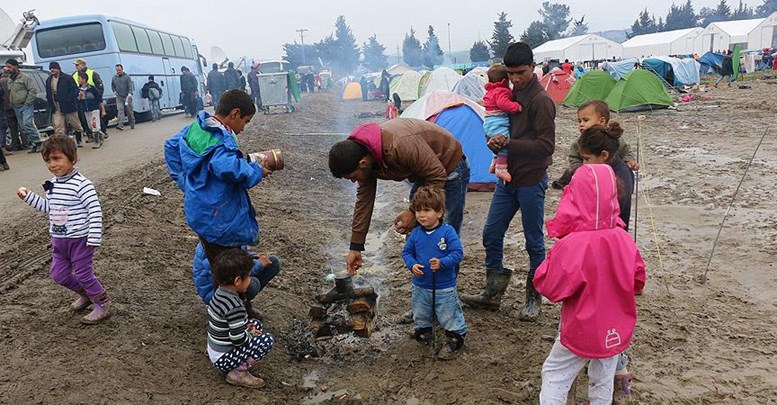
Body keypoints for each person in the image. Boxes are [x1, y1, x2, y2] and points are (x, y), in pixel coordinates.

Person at [534, 164, 645, 405]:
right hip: (616, 327)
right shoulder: (624, 239)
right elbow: (638, 281)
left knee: (555, 373)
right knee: (603, 376)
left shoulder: (572, 245)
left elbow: (550, 288)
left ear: (574, 195)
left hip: (582, 326)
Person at [460, 42, 555, 321]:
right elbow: (500, 126)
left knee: (534, 242)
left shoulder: (542, 102)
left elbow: (546, 147)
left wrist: (509, 144)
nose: (515, 79)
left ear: (533, 66)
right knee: (491, 233)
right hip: (507, 179)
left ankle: (533, 297)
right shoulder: (508, 93)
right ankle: (492, 293)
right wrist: (495, 144)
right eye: (511, 73)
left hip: (531, 179)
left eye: (521, 73)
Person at [328, 118, 469, 276]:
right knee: (418, 235)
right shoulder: (365, 156)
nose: (355, 181)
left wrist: (413, 212)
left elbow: (437, 174)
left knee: (443, 236)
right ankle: (425, 285)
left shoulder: (398, 145)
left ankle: (446, 290)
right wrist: (356, 246)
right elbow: (364, 202)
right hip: (424, 171)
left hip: (447, 166)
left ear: (362, 163)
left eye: (353, 177)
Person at [164, 89, 270, 263]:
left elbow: (170, 146)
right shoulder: (220, 138)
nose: (243, 128)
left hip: (201, 212)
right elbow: (229, 168)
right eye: (245, 121)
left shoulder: (199, 126)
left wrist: (186, 182)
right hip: (218, 218)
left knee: (216, 262)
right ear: (235, 113)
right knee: (227, 271)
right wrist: (257, 170)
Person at [16, 135, 112, 324]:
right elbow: (49, 208)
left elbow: (95, 210)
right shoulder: (53, 184)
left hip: (80, 240)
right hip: (59, 241)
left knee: (84, 274)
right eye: (48, 160)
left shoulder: (82, 185)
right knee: (59, 275)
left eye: (57, 158)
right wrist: (29, 197)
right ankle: (86, 295)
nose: (52, 164)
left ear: (72, 157)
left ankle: (102, 303)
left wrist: (94, 237)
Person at [402, 186, 466, 359]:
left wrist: (443, 263)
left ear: (439, 212)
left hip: (444, 286)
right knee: (420, 311)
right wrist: (412, 265)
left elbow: (458, 253)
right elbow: (407, 253)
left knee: (448, 312)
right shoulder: (415, 233)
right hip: (421, 285)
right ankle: (424, 332)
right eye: (418, 210)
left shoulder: (447, 232)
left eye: (427, 210)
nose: (421, 215)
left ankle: (455, 337)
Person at [206, 248, 274, 388]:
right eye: (249, 276)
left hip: (215, 348)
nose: (250, 280)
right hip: (223, 359)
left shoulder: (219, 292)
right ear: (237, 280)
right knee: (266, 340)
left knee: (255, 323)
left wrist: (247, 328)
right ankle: (238, 372)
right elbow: (238, 340)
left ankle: (233, 362)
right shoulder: (234, 305)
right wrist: (250, 335)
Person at [551, 100, 637, 190]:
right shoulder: (579, 143)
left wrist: (629, 161)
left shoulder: (614, 139)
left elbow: (626, 151)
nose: (581, 124)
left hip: (612, 181)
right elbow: (574, 159)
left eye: (586, 120)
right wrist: (580, 168)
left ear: (602, 121)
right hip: (590, 181)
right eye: (579, 121)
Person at [578, 123, 635, 230]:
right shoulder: (601, 171)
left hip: (610, 237)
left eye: (587, 159)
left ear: (604, 155)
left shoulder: (620, 179)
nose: (584, 164)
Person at [192, 242, 281, 307]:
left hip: (230, 277)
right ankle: (233, 309)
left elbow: (238, 254)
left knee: (274, 262)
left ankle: (242, 303)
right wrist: (259, 265)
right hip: (214, 292)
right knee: (253, 284)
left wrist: (255, 256)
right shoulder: (214, 243)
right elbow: (228, 273)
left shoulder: (229, 234)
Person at [483, 64, 523, 183]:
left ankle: (494, 163)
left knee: (497, 144)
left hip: (489, 123)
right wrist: (516, 107)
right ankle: (501, 168)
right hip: (498, 122)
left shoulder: (490, 91)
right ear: (505, 80)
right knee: (504, 142)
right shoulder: (501, 91)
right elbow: (503, 104)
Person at [5, 58, 42, 153]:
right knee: (23, 127)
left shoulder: (25, 78)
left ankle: (38, 143)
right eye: (6, 67)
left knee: (27, 123)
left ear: (15, 67)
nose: (7, 69)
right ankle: (33, 144)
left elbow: (32, 90)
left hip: (25, 105)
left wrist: (27, 102)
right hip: (16, 107)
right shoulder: (10, 79)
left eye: (9, 67)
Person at [45, 62, 85, 146]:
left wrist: (70, 100)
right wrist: (50, 102)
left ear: (58, 69)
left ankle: (79, 139)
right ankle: (61, 144)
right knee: (58, 126)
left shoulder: (67, 78)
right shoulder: (49, 80)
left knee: (76, 124)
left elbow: (74, 90)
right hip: (56, 106)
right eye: (51, 68)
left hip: (69, 105)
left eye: (54, 68)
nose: (52, 70)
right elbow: (48, 93)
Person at [72, 58, 107, 138]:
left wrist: (97, 99)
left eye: (77, 65)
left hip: (93, 101)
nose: (76, 67)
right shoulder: (74, 75)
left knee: (96, 121)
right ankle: (90, 135)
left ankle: (101, 133)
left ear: (82, 65)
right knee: (86, 121)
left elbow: (100, 86)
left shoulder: (92, 73)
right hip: (82, 103)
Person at [77, 72, 105, 149]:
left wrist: (103, 110)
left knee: (94, 124)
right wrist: (79, 97)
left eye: (79, 78)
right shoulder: (78, 89)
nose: (78, 80)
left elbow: (99, 99)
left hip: (94, 109)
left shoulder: (92, 88)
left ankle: (96, 142)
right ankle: (100, 134)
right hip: (86, 110)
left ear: (84, 79)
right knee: (90, 126)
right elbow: (77, 100)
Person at [1, 71, 26, 152]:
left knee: (12, 127)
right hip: (16, 105)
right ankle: (26, 143)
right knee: (22, 124)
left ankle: (16, 145)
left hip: (5, 107)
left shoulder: (1, 82)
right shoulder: (11, 81)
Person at [111, 64, 135, 130]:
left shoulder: (127, 77)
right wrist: (114, 91)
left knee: (129, 111)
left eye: (119, 70)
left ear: (122, 69)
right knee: (120, 110)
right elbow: (112, 86)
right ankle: (120, 124)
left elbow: (130, 86)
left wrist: (130, 94)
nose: (118, 71)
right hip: (119, 96)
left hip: (127, 96)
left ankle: (132, 123)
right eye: (117, 70)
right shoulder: (114, 77)